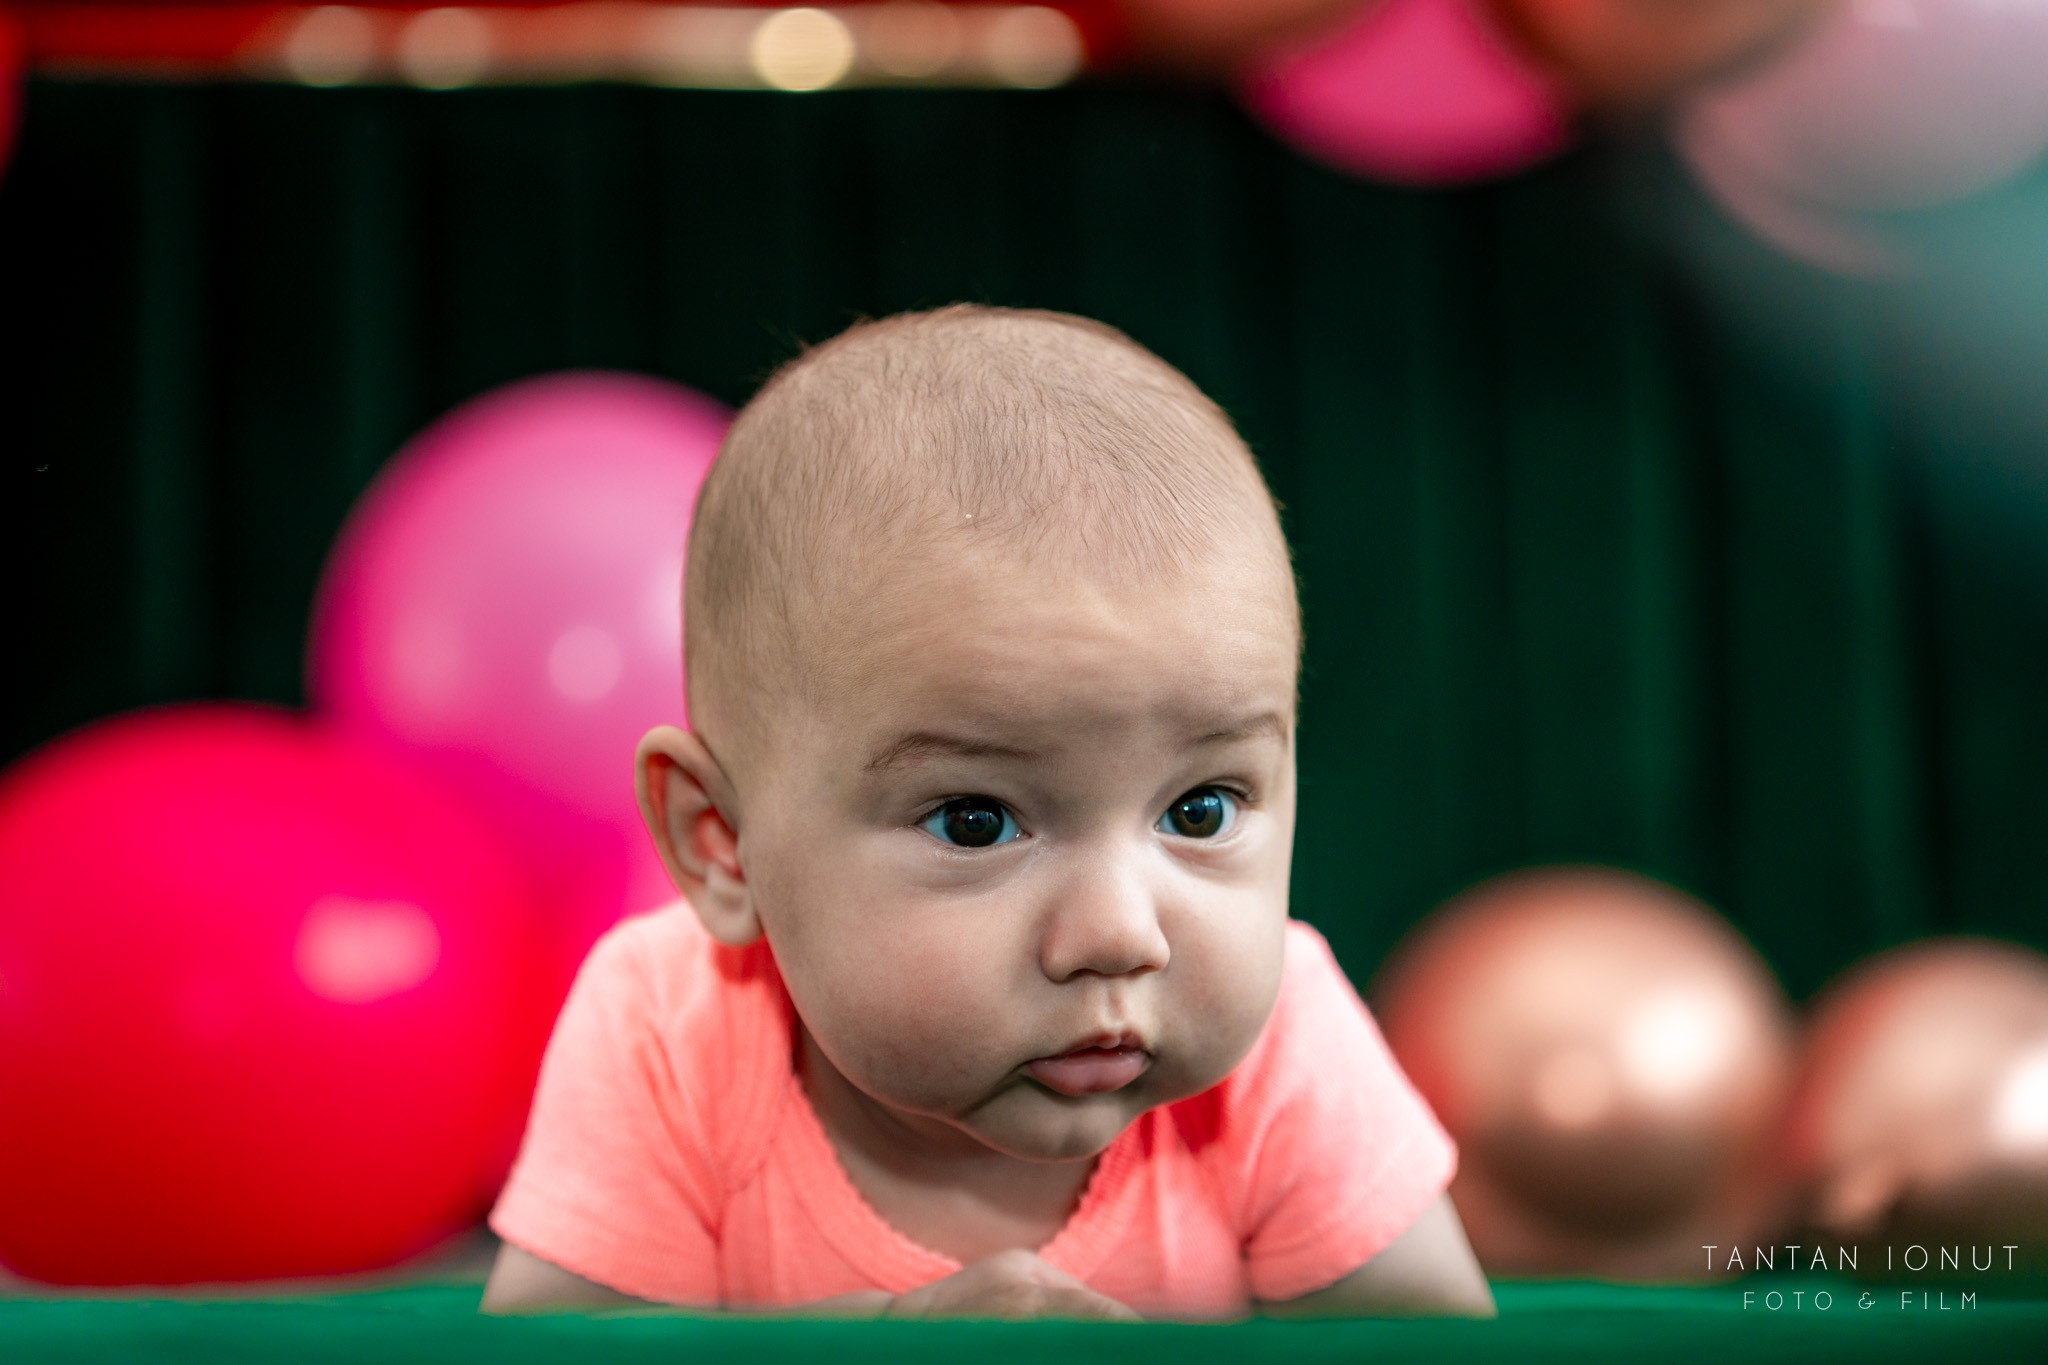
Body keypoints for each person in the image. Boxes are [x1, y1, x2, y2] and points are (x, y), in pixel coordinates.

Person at [479, 305, 1495, 1321]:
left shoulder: (1283, 1047)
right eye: (975, 822)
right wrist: (880, 1338)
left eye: (1198, 809)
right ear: (724, 848)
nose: (1116, 934)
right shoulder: (669, 1028)